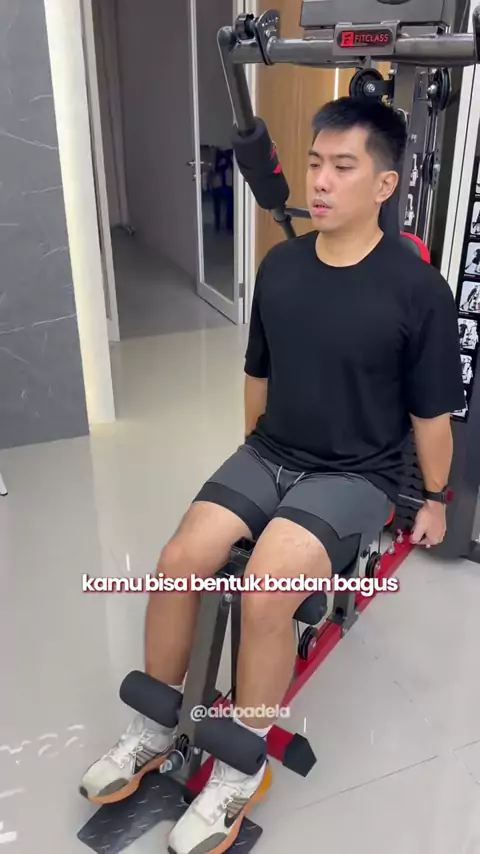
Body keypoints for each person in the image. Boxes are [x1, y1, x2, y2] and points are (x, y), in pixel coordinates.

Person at [80, 97, 465, 854]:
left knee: (265, 590)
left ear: (384, 185)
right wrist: (249, 470)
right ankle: (154, 726)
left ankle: (239, 769)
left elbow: (432, 416)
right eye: (316, 163)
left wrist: (436, 499)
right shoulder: (282, 266)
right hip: (270, 451)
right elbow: (257, 374)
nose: (319, 181)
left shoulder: (419, 291)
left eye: (343, 167)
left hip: (357, 473)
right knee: (179, 560)